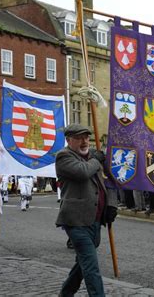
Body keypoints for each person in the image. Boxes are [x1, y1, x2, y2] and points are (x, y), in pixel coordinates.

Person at [55, 124, 118, 296]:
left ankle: (66, 293)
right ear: (69, 140)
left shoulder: (92, 157)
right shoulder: (63, 156)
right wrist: (96, 160)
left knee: (82, 263)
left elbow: (109, 181)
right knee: (91, 266)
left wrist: (112, 204)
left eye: (86, 137)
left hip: (95, 220)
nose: (84, 141)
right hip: (75, 221)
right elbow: (83, 172)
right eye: (79, 138)